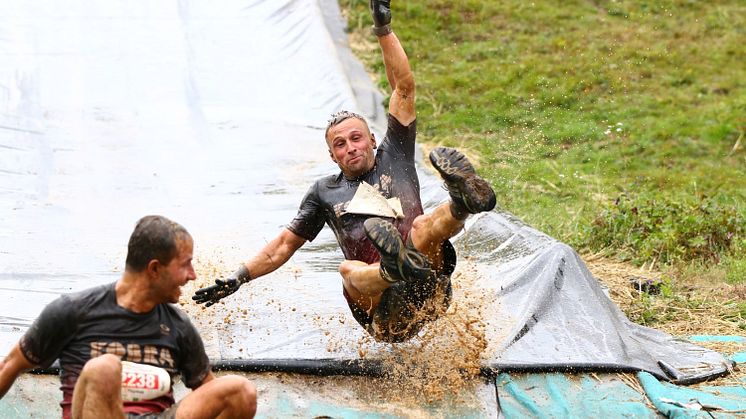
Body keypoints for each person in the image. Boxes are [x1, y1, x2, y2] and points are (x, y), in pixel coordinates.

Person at [193, 0, 496, 343]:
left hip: (431, 285)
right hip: (383, 313)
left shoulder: (395, 154)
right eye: (340, 144)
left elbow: (403, 87)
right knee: (348, 269)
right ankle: (391, 266)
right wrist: (239, 277)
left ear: (371, 139)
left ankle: (464, 201)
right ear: (332, 156)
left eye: (356, 138)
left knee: (424, 227)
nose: (350, 147)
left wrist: (383, 28)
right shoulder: (324, 193)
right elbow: (282, 247)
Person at [0, 215, 257, 419]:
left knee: (239, 390)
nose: (192, 275)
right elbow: (8, 366)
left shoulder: (177, 326)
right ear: (155, 269)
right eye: (185, 264)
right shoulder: (73, 311)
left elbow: (208, 395)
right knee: (104, 368)